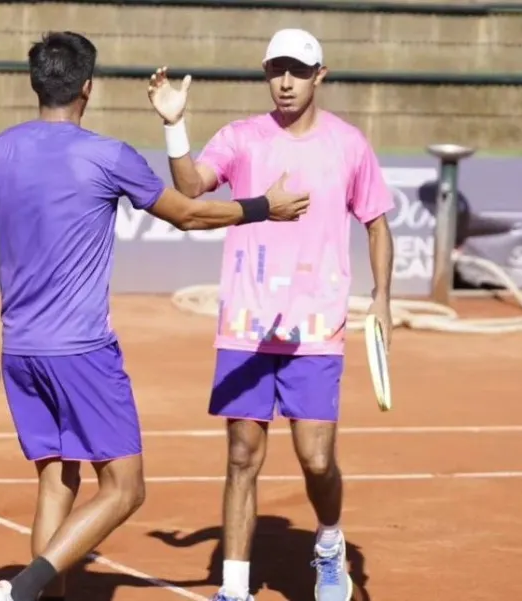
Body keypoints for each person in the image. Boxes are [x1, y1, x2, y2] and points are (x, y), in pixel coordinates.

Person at [0, 31, 310, 601]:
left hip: (21, 352)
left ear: (37, 84)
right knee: (125, 489)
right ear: (88, 89)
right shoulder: (108, 155)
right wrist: (262, 208)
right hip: (82, 352)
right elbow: (190, 215)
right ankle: (18, 593)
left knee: (57, 480)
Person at [147, 28, 396, 601]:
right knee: (242, 454)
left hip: (317, 325)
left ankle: (329, 543)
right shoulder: (241, 138)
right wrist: (173, 125)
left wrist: (381, 297)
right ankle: (235, 587)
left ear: (319, 76)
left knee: (315, 458)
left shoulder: (349, 145)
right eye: (276, 70)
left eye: (298, 71)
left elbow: (377, 223)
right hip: (247, 324)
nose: (285, 82)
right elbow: (190, 190)